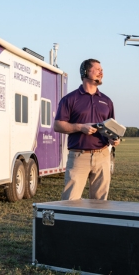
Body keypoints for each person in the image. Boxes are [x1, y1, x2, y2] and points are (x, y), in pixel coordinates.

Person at [54, 59, 120, 200]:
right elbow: (58, 125)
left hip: (102, 156)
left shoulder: (107, 101)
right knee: (70, 201)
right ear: (85, 72)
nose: (101, 72)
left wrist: (114, 139)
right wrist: (80, 127)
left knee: (100, 203)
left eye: (101, 70)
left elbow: (112, 127)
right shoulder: (70, 99)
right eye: (97, 69)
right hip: (79, 156)